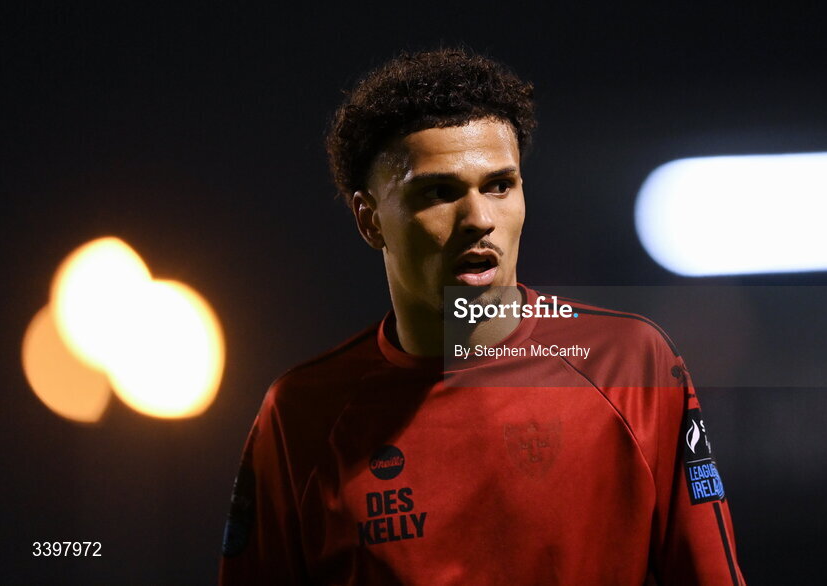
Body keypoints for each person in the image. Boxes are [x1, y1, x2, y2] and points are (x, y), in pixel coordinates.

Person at [219, 47, 745, 585]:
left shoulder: (630, 364)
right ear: (369, 219)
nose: (479, 219)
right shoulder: (302, 413)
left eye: (499, 185)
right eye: (439, 192)